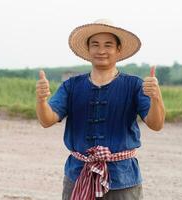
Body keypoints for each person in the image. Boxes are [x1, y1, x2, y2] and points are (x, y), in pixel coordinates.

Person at [35, 19, 165, 200]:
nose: (101, 50)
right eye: (95, 44)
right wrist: (41, 101)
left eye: (108, 45)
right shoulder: (71, 86)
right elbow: (47, 120)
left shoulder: (135, 85)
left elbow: (156, 124)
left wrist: (156, 98)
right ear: (88, 50)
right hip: (77, 174)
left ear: (118, 50)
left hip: (123, 178)